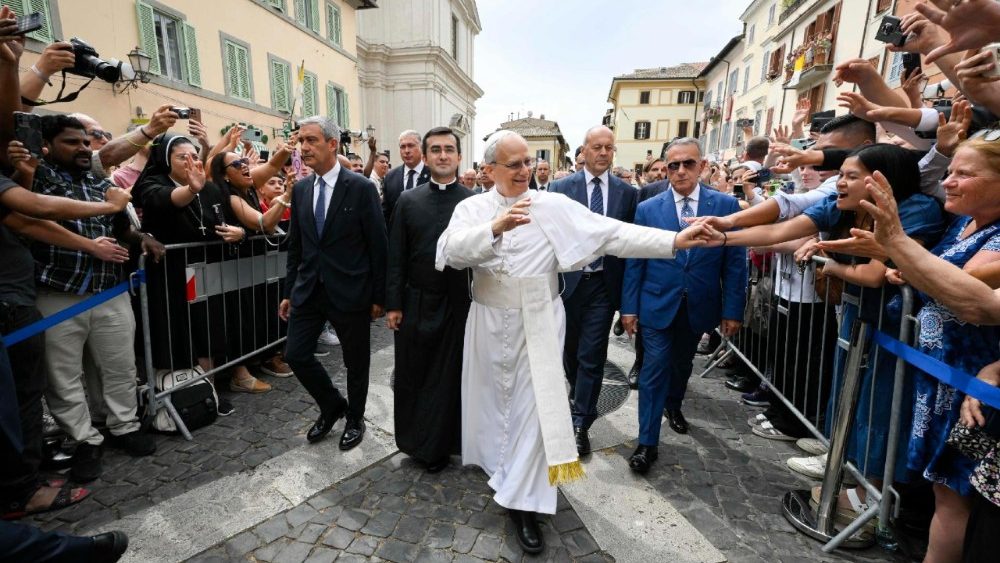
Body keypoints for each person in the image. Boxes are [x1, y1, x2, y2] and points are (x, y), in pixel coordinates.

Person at [435, 130, 710, 554]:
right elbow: (449, 253)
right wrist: (495, 226)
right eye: (515, 165)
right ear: (489, 170)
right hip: (487, 325)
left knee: (533, 410)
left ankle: (524, 505)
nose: (526, 170)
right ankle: (505, 475)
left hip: (539, 323)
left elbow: (611, 234)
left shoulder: (552, 205)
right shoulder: (471, 207)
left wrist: (672, 241)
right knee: (494, 406)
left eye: (528, 161)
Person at [700, 144, 946, 533]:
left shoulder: (916, 210)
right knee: (851, 395)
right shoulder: (843, 205)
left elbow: (872, 274)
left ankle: (872, 498)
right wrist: (725, 235)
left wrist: (830, 263)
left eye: (850, 175)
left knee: (880, 404)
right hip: (856, 319)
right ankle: (849, 467)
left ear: (881, 180)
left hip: (896, 330)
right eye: (841, 174)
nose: (840, 183)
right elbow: (783, 228)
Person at [28, 115, 162, 482]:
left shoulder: (100, 184)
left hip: (108, 290)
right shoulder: (35, 178)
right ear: (48, 146)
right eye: (73, 142)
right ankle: (84, 438)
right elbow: (32, 220)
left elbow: (120, 227)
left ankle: (124, 425)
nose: (84, 149)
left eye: (87, 142)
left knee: (118, 364)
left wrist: (141, 237)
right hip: (56, 292)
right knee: (63, 376)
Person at [620, 137, 746, 474]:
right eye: (672, 165)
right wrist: (628, 308)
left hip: (699, 305)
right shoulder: (648, 208)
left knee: (681, 364)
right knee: (653, 370)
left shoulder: (725, 206)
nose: (679, 171)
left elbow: (735, 263)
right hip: (656, 304)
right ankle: (647, 441)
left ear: (702, 166)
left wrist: (732, 310)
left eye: (687, 163)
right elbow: (635, 258)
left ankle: (673, 405)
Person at [279, 116, 388, 450]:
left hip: (351, 290)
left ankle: (355, 418)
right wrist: (289, 291)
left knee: (356, 361)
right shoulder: (299, 190)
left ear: (331, 144)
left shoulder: (360, 188)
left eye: (311, 140)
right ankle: (331, 404)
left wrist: (379, 296)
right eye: (301, 142)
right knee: (296, 355)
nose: (304, 147)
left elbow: (378, 245)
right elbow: (297, 245)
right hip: (309, 290)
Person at [135, 133, 249, 405]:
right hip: (170, 276)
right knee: (181, 336)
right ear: (166, 160)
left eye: (194, 156)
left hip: (206, 273)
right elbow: (165, 200)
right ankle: (188, 399)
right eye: (181, 157)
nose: (190, 161)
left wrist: (240, 232)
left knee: (207, 332)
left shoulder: (209, 189)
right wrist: (191, 189)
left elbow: (231, 220)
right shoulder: (152, 183)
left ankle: (209, 394)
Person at [386, 126, 471, 473]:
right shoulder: (408, 201)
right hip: (417, 301)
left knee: (452, 378)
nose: (442, 155)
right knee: (415, 375)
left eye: (449, 149)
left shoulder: (473, 201)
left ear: (459, 156)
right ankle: (418, 443)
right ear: (425, 156)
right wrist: (393, 304)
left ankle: (448, 445)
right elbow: (396, 257)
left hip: (459, 306)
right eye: (435, 149)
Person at [550, 125, 637, 455]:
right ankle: (577, 394)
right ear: (583, 151)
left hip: (603, 285)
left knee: (592, 355)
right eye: (596, 147)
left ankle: (580, 422)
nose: (603, 153)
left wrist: (628, 302)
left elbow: (629, 247)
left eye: (609, 147)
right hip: (568, 286)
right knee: (570, 353)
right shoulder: (560, 188)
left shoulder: (626, 194)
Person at [382, 130, 430, 224]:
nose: (406, 151)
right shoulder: (390, 177)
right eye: (402, 147)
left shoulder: (433, 174)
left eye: (411, 146)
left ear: (421, 147)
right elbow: (386, 212)